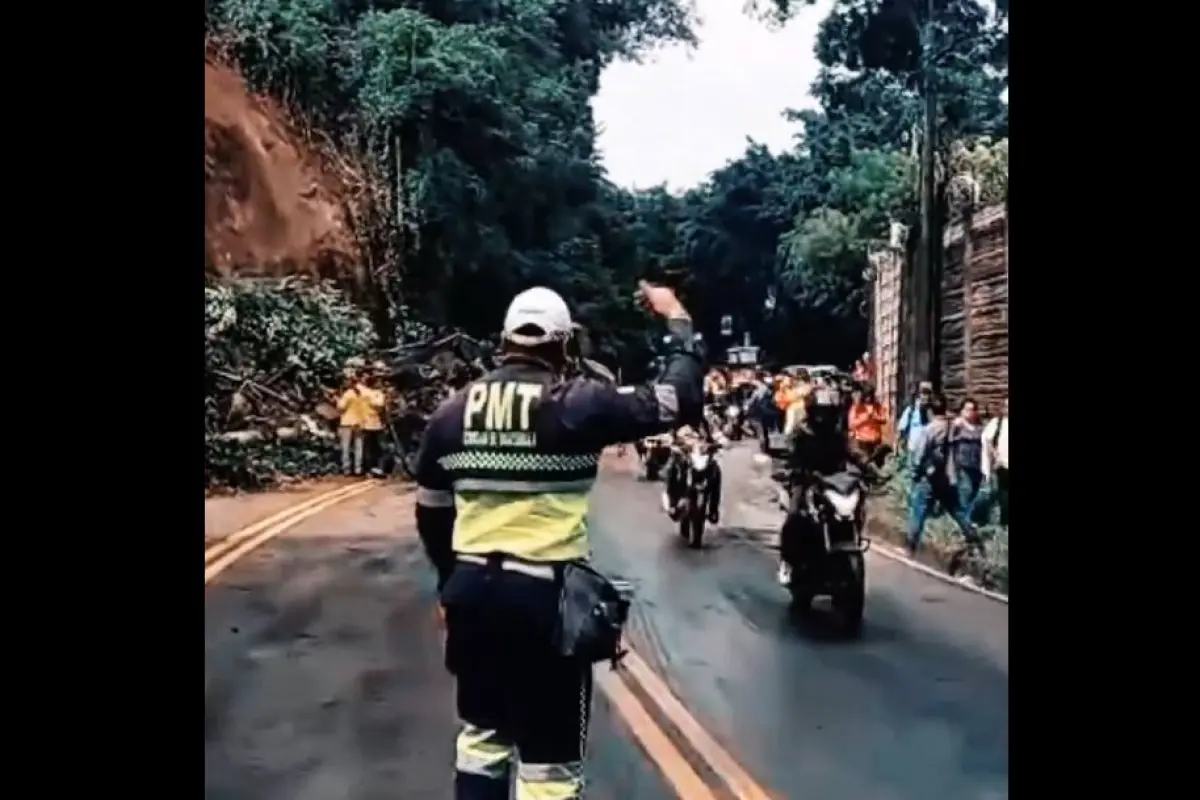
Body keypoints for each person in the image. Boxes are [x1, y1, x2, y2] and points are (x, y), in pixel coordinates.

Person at [413, 282, 704, 800]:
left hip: (471, 595)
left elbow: (432, 513)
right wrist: (677, 320)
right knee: (548, 765)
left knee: (482, 739)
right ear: (566, 345)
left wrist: (447, 584)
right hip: (543, 603)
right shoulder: (576, 406)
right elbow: (675, 399)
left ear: (503, 342)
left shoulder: (449, 415)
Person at [777, 385, 861, 586]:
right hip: (806, 480)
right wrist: (793, 467)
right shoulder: (801, 432)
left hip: (833, 481)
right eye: (821, 411)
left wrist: (868, 467)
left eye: (828, 411)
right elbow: (788, 453)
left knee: (856, 507)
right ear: (812, 410)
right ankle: (787, 562)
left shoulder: (838, 433)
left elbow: (853, 451)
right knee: (794, 516)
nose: (824, 416)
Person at [906, 394, 982, 565]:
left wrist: (915, 473)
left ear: (931, 410)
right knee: (958, 512)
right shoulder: (953, 425)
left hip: (931, 478)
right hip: (950, 476)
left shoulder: (930, 429)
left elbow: (919, 455)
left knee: (919, 511)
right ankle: (973, 539)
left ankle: (911, 547)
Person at [974, 396, 1009, 526]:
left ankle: (1004, 523)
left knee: (1005, 496)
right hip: (998, 465)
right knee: (991, 492)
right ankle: (977, 519)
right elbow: (987, 440)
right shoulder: (997, 422)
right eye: (1006, 406)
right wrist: (995, 456)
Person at [949, 397, 984, 511]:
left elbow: (982, 439)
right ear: (962, 411)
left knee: (975, 491)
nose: (970, 412)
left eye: (972, 409)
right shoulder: (957, 425)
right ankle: (964, 521)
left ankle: (968, 518)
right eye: (967, 409)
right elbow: (950, 441)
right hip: (962, 463)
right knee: (966, 490)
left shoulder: (979, 426)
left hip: (977, 464)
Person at [896, 381, 933, 463]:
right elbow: (901, 429)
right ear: (918, 396)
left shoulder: (933, 411)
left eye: (928, 394)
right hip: (913, 450)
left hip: (929, 453)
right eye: (923, 393)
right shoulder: (911, 411)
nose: (925, 397)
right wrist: (899, 447)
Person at [847, 386, 886, 465]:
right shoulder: (856, 407)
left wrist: (875, 416)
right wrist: (866, 417)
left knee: (878, 463)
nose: (868, 398)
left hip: (876, 439)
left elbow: (884, 419)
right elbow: (851, 424)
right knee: (865, 464)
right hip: (862, 440)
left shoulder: (877, 406)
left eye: (870, 396)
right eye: (867, 396)